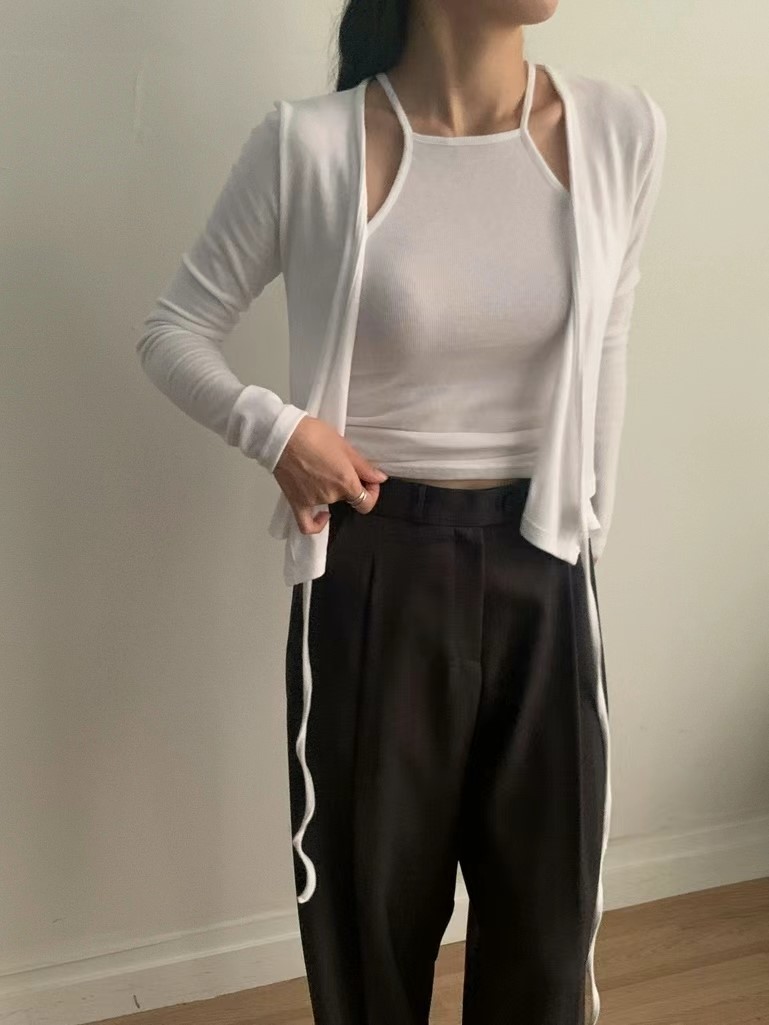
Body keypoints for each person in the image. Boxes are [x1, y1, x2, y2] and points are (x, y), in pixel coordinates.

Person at [136, 1, 668, 1022]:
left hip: (547, 568)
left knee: (546, 938)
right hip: (372, 570)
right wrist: (278, 431)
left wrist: (584, 544)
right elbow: (174, 330)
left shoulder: (619, 132)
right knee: (370, 933)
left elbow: (607, 343)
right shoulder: (309, 146)